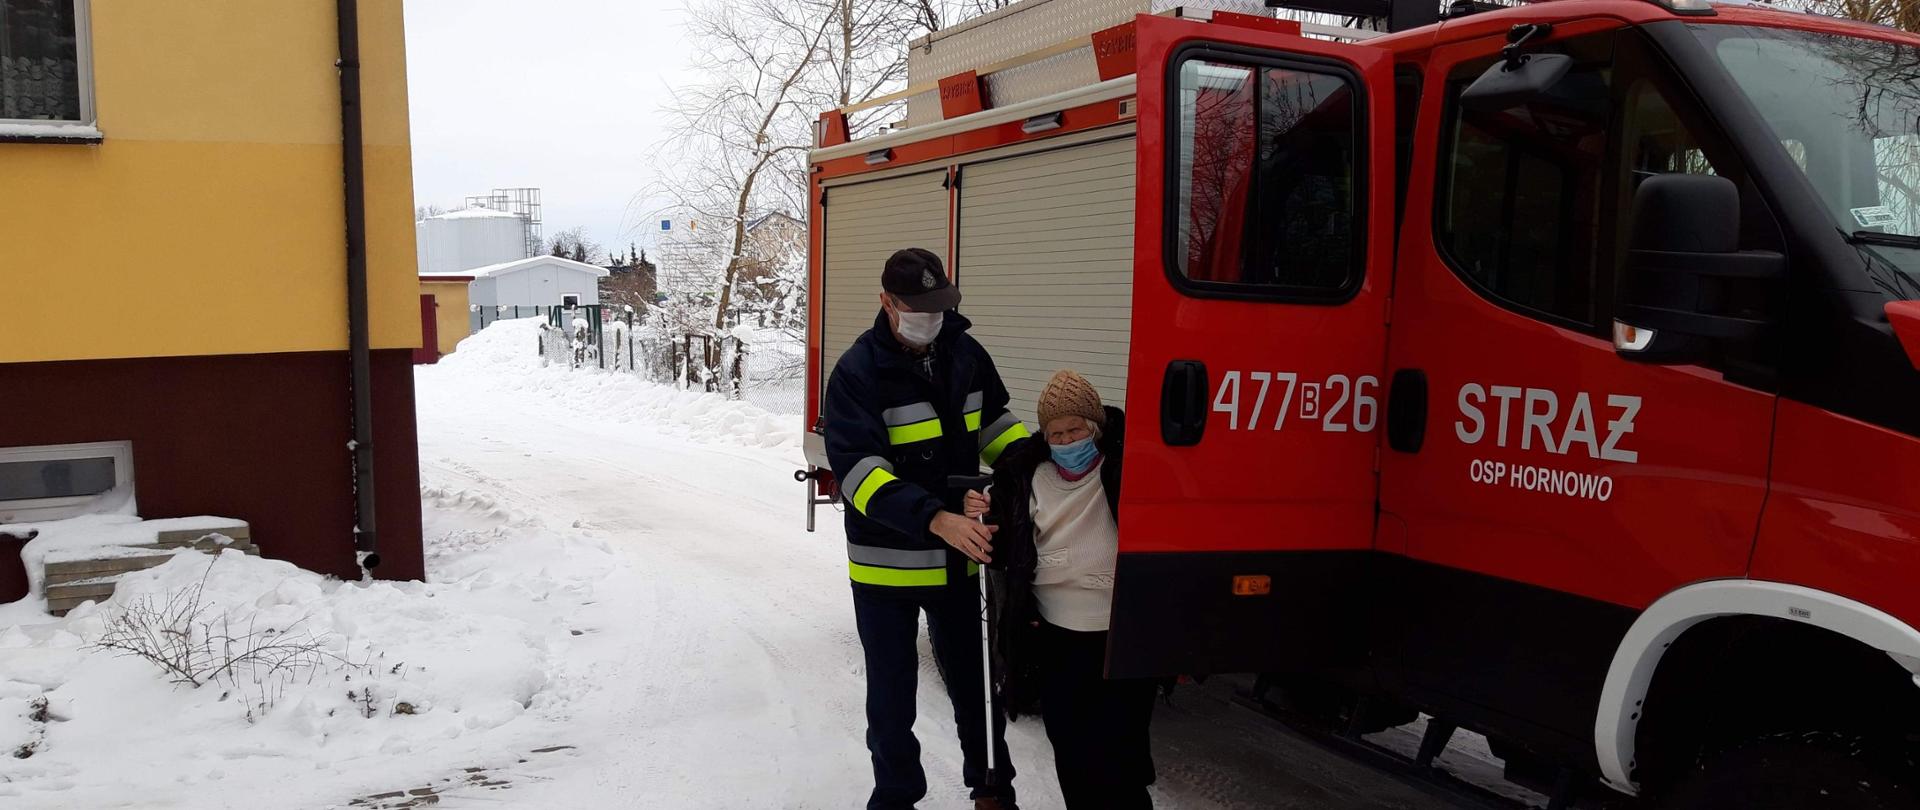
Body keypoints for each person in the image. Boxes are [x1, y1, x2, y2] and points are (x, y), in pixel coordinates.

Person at [823, 246, 1031, 810]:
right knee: (892, 700)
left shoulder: (965, 355)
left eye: (939, 306)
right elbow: (861, 476)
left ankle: (992, 789)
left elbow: (995, 425)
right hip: (886, 568)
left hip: (957, 562)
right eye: (918, 307)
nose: (931, 318)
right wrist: (935, 518)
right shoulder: (856, 374)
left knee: (975, 690)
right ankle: (894, 798)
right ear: (887, 303)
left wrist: (1030, 473)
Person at [971, 369, 1157, 810]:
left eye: (1076, 428)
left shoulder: (1129, 468)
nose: (1067, 440)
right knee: (1071, 746)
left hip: (1120, 636)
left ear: (1095, 427)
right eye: (1056, 432)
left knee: (1121, 752)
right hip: (1055, 635)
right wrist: (979, 513)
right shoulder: (1024, 479)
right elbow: (1002, 554)